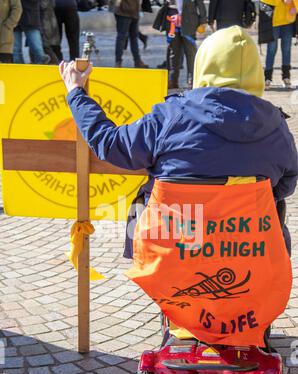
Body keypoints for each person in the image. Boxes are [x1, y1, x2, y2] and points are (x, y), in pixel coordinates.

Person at [59, 26, 298, 259]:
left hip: (172, 256)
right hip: (246, 255)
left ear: (203, 65)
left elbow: (111, 144)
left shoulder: (170, 117)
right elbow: (285, 185)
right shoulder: (276, 127)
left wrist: (76, 93)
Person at [153, 0, 207, 89]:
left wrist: (203, 21)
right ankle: (173, 80)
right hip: (171, 22)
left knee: (190, 53)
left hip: (189, 22)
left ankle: (192, 80)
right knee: (174, 52)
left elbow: (200, 4)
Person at [261, 0, 298, 89]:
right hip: (274, 21)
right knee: (271, 49)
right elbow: (264, 2)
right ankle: (267, 78)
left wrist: (292, 2)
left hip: (288, 21)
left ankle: (286, 77)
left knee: (286, 50)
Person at [109, 0, 149, 68]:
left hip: (134, 11)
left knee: (134, 37)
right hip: (123, 11)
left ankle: (137, 61)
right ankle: (118, 61)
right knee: (122, 37)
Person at [40, 0, 60, 64]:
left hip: (45, 22)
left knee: (46, 46)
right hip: (48, 21)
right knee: (46, 46)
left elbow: (43, 5)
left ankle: (57, 67)